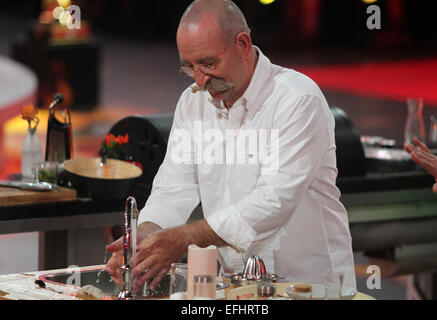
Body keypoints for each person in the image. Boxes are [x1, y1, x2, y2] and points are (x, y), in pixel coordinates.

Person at [106, 0, 356, 291]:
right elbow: (174, 187)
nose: (200, 80)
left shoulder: (297, 99)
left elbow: (275, 200)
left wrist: (184, 238)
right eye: (189, 67)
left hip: (311, 286)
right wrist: (146, 237)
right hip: (238, 287)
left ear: (243, 44)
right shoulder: (193, 102)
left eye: (209, 63)